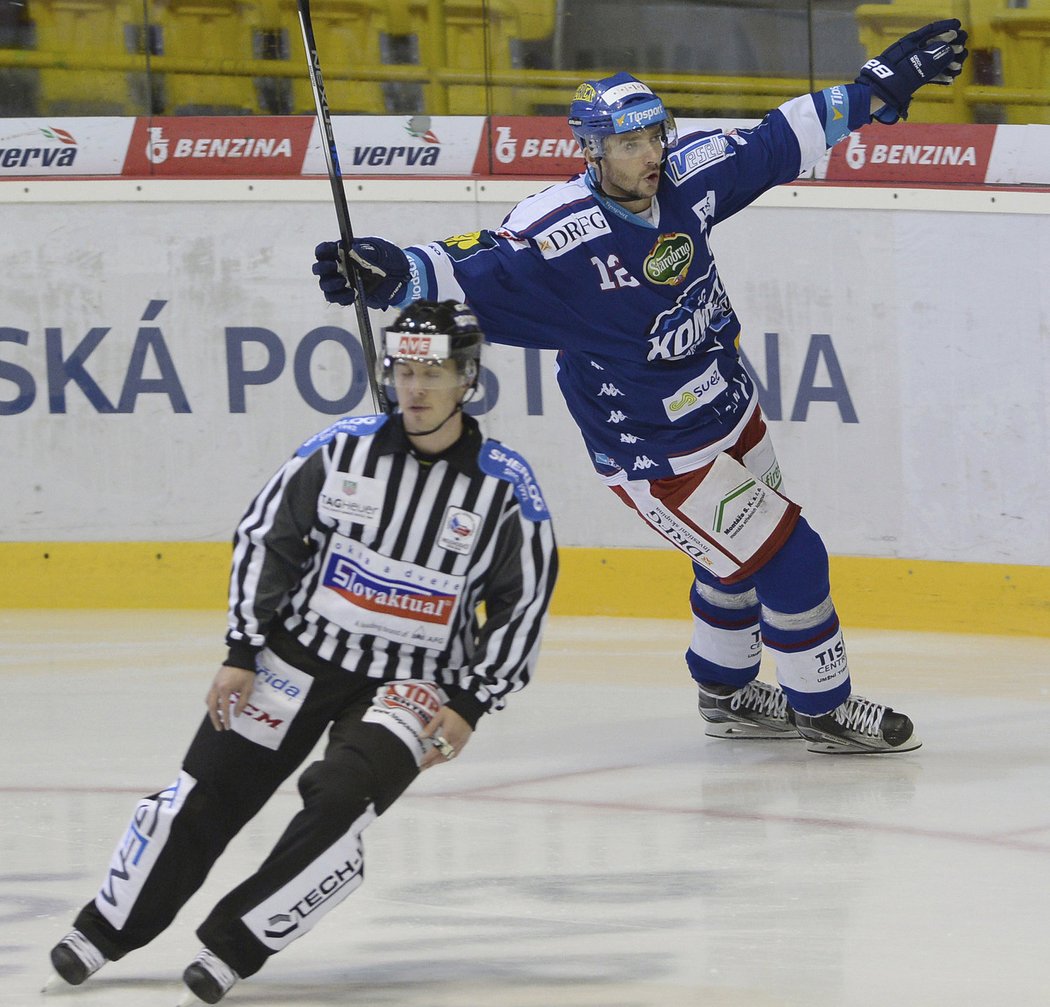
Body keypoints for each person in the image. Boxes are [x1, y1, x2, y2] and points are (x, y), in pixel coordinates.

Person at [312, 22, 969, 755]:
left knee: (733, 565)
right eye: (629, 144)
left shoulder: (688, 173)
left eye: (654, 135)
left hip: (729, 405)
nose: (650, 154)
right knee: (793, 556)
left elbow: (783, 137)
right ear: (591, 152)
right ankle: (823, 707)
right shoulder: (560, 237)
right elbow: (472, 263)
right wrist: (389, 270)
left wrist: (878, 87)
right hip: (656, 450)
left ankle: (725, 695)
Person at [46, 301, 558, 1004]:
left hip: (412, 684)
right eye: (403, 369)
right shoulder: (338, 448)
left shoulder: (507, 489)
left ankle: (234, 943)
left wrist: (471, 700)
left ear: (467, 378)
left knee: (340, 799)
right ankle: (107, 928)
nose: (414, 387)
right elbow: (267, 539)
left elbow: (523, 600)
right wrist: (242, 647)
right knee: (206, 794)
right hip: (298, 658)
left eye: (432, 371)